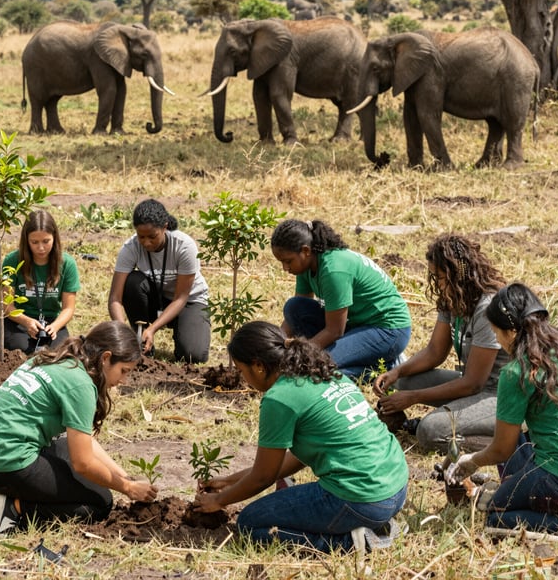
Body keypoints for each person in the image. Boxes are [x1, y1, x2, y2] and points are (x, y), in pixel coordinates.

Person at [193, 321, 409, 552]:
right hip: (395, 488)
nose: (243, 378)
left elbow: (263, 477)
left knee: (250, 524)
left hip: (361, 499)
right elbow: (295, 460)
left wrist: (219, 500)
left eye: (241, 370)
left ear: (258, 366)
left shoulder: (279, 398)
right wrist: (227, 482)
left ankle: (355, 542)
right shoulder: (323, 372)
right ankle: (376, 525)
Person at [0, 320, 158, 536]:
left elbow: (84, 442)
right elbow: (83, 463)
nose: (124, 380)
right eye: (124, 371)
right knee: (99, 502)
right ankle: (16, 509)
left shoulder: (56, 359)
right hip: (2, 462)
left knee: (68, 447)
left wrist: (125, 477)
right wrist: (127, 489)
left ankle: (19, 494)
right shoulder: (81, 384)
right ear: (106, 358)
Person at [374, 234, 508, 452]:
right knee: (406, 381)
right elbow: (435, 351)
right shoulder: (454, 299)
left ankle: (510, 442)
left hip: (501, 394)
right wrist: (397, 372)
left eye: (439, 276)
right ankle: (464, 421)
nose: (435, 283)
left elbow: (473, 383)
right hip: (475, 384)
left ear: (457, 275)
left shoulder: (486, 308)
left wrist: (414, 398)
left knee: (429, 432)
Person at [447, 283, 558, 533]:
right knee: (519, 436)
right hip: (552, 457)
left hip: (556, 473)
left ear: (511, 332)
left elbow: (502, 449)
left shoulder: (518, 372)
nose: (498, 342)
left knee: (495, 515)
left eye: (495, 333)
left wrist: (473, 460)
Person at [270, 219, 411, 380]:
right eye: (281, 262)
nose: (285, 268)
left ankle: (385, 367)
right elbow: (295, 314)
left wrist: (300, 357)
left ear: (306, 250)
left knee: (317, 369)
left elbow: (335, 331)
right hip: (354, 324)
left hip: (388, 329)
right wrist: (274, 347)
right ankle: (358, 355)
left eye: (288, 261)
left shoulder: (333, 270)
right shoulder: (306, 266)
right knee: (294, 307)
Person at [108, 198, 210, 363]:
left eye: (152, 236)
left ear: (165, 227)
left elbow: (181, 297)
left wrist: (153, 328)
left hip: (188, 300)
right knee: (132, 282)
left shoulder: (184, 246)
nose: (146, 242)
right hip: (156, 298)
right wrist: (123, 335)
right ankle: (140, 339)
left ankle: (175, 329)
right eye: (141, 237)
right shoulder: (131, 247)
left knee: (192, 356)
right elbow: (115, 298)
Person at [0, 210, 80, 354]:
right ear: (26, 240)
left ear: (54, 238)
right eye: (34, 242)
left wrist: (54, 326)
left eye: (46, 241)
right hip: (19, 320)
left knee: (59, 355)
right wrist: (27, 322)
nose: (41, 248)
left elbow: (68, 308)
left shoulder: (67, 264)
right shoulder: (12, 261)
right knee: (20, 351)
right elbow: (7, 306)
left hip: (51, 322)